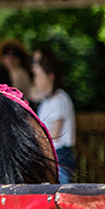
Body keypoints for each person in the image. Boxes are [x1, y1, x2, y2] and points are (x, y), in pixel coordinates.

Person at [30, 48, 76, 184]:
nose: (35, 81)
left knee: (58, 192)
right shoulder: (47, 101)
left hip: (59, 157)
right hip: (50, 156)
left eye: (38, 76)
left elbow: (54, 134)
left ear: (50, 76)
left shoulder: (59, 99)